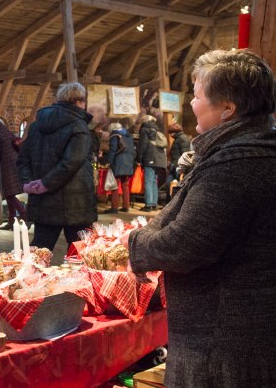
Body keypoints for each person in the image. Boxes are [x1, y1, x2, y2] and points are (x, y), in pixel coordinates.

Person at [121, 49, 276, 387]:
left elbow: (186, 244)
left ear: (227, 110)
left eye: (197, 96)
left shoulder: (237, 164)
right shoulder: (245, 150)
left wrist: (134, 244)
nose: (191, 104)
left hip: (222, 342)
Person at [18, 82, 97, 252]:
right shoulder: (79, 125)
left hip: (44, 200)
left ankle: (30, 280)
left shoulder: (36, 125)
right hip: (76, 202)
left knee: (39, 252)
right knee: (80, 252)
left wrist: (31, 183)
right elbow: (71, 162)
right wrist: (45, 183)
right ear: (79, 102)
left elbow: (23, 159)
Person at [0, 115, 26, 230]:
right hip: (13, 163)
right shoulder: (6, 131)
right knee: (8, 193)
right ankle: (11, 221)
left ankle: (24, 214)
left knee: (9, 194)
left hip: (6, 165)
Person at [136, 115, 168, 211]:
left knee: (149, 181)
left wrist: (139, 159)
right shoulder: (158, 130)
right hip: (160, 159)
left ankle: (148, 204)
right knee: (154, 181)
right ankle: (154, 203)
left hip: (150, 157)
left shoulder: (145, 129)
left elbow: (142, 145)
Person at [104, 122, 135, 213]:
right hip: (128, 162)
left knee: (115, 185)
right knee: (125, 185)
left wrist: (109, 162)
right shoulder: (129, 136)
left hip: (118, 162)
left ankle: (114, 207)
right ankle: (126, 206)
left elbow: (113, 150)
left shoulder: (115, 135)